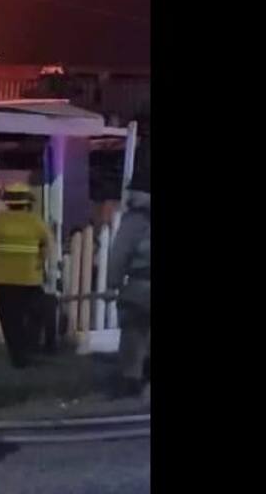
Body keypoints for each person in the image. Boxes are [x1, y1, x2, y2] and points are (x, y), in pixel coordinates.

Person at [0, 182, 52, 368]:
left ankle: (18, 359)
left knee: (11, 322)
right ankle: (31, 349)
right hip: (30, 280)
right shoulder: (36, 223)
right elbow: (47, 246)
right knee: (35, 315)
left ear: (8, 203)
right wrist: (40, 262)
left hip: (4, 281)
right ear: (28, 203)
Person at [107, 169, 151, 398]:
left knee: (134, 334)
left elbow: (120, 253)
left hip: (140, 286)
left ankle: (132, 382)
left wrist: (112, 283)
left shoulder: (135, 219)